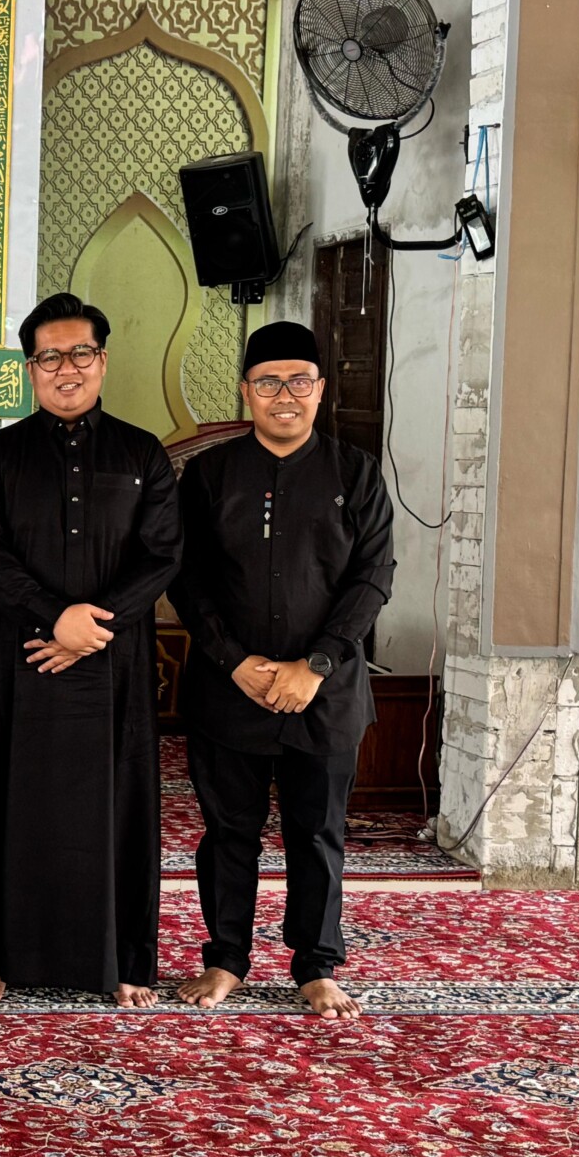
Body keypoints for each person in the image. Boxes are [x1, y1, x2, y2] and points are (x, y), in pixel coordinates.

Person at [0, 293, 182, 1006]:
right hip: (18, 656)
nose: (66, 368)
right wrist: (55, 618)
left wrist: (90, 629)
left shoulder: (142, 453)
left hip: (113, 660)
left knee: (119, 803)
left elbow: (162, 555)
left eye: (80, 353)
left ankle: (124, 961)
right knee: (3, 798)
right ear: (31, 369)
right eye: (49, 357)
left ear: (102, 362)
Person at [168, 320, 395, 1020]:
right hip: (229, 689)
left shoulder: (355, 473)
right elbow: (187, 578)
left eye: (299, 381)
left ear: (320, 390)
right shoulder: (209, 475)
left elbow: (373, 577)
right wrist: (234, 661)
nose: (285, 395)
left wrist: (316, 665)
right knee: (228, 832)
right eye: (269, 383)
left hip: (324, 692)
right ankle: (226, 958)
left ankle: (316, 966)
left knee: (317, 834)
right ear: (246, 392)